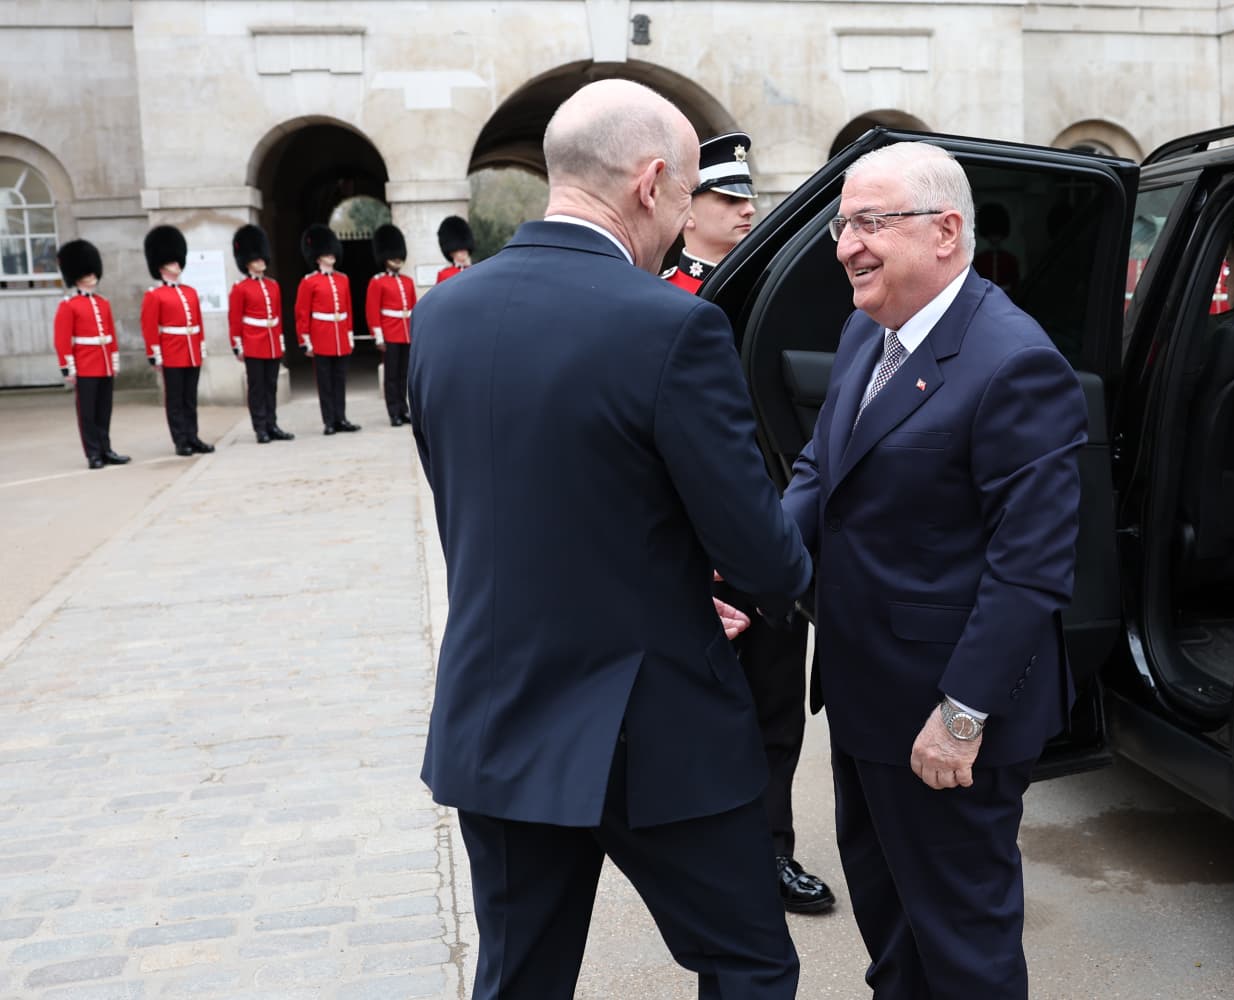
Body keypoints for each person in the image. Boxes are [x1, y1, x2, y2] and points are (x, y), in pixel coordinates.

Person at [409, 78, 812, 1000]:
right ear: (652, 180)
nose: (680, 222)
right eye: (682, 200)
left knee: (518, 981)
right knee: (749, 963)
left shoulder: (441, 317)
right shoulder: (670, 326)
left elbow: (485, 511)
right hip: (651, 725)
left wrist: (661, 572)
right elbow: (757, 552)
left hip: (499, 709)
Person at [779, 141, 1088, 999]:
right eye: (844, 224)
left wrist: (960, 716)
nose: (846, 244)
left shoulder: (1013, 361)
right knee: (893, 931)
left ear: (946, 232)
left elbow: (1030, 568)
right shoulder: (865, 328)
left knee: (964, 948)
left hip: (946, 721)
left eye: (870, 222)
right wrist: (748, 573)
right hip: (864, 694)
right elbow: (818, 471)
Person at [662, 130, 834, 916]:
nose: (745, 211)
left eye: (749, 198)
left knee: (776, 712)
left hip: (773, 533)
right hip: (702, 551)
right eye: (727, 199)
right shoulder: (663, 297)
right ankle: (712, 862)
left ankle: (773, 851)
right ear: (684, 207)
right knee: (704, 718)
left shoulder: (772, 288)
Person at [53, 239, 129, 470]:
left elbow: (111, 334)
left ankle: (106, 449)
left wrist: (114, 360)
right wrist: (68, 367)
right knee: (87, 413)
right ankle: (93, 453)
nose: (92, 276)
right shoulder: (69, 305)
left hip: (104, 363)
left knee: (104, 410)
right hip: (85, 365)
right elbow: (62, 339)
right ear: (77, 275)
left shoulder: (102, 303)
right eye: (86, 272)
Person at [141, 225, 212, 457]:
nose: (176, 265)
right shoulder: (154, 295)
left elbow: (198, 323)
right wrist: (155, 354)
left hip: (191, 351)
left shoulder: (190, 292)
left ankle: (193, 436)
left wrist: (200, 346)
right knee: (175, 400)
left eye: (177, 261)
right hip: (172, 352)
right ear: (161, 266)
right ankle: (180, 440)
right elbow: (150, 327)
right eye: (171, 262)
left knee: (190, 399)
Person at [662, 131, 757, 294]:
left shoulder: (763, 282)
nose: (750, 210)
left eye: (747, 199)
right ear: (687, 212)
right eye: (731, 199)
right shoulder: (663, 294)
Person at [228, 223, 294, 444]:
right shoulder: (241, 288)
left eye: (262, 259)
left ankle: (272, 424)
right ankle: (260, 427)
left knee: (271, 386)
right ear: (247, 263)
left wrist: (281, 340)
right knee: (257, 388)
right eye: (257, 260)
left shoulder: (273, 285)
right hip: (253, 343)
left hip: (272, 342)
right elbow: (235, 318)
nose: (261, 262)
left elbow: (276, 315)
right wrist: (237, 345)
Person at [294, 224, 360, 435]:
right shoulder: (309, 282)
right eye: (326, 253)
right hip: (321, 336)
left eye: (332, 252)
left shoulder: (343, 279)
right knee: (325, 382)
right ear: (317, 257)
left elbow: (348, 308)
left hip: (340, 334)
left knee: (339, 380)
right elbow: (302, 312)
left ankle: (341, 418)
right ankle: (329, 421)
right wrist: (305, 340)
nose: (331, 256)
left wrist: (349, 334)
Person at [366, 223, 416, 427]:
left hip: (406, 333)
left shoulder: (407, 281)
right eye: (393, 256)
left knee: (404, 374)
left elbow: (414, 308)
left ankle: (404, 409)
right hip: (390, 333)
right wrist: (378, 336)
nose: (397, 259)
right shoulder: (377, 282)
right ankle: (393, 411)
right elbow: (372, 311)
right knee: (391, 375)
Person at [435, 215, 475, 283]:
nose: (464, 252)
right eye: (459, 249)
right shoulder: (444, 275)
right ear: (451, 253)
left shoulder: (475, 271)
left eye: (465, 249)